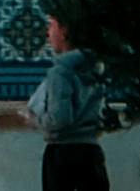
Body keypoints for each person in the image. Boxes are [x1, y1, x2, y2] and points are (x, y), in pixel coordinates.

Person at [25, 11, 112, 191]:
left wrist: (36, 121)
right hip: (92, 151)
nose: (48, 33)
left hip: (63, 155)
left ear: (64, 31)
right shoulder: (97, 68)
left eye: (51, 25)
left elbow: (60, 118)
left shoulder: (60, 72)